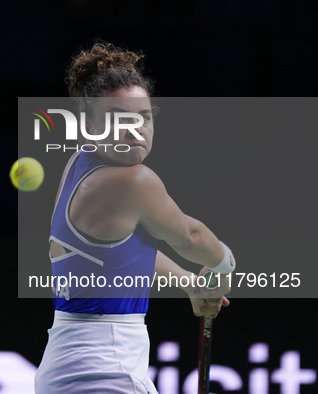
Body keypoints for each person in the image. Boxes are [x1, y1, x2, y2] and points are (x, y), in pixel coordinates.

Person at [34, 41, 235, 394]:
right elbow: (190, 237)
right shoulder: (132, 180)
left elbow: (120, 253)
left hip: (65, 368)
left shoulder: (77, 166)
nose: (134, 129)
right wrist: (224, 265)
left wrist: (189, 282)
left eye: (143, 117)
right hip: (104, 372)